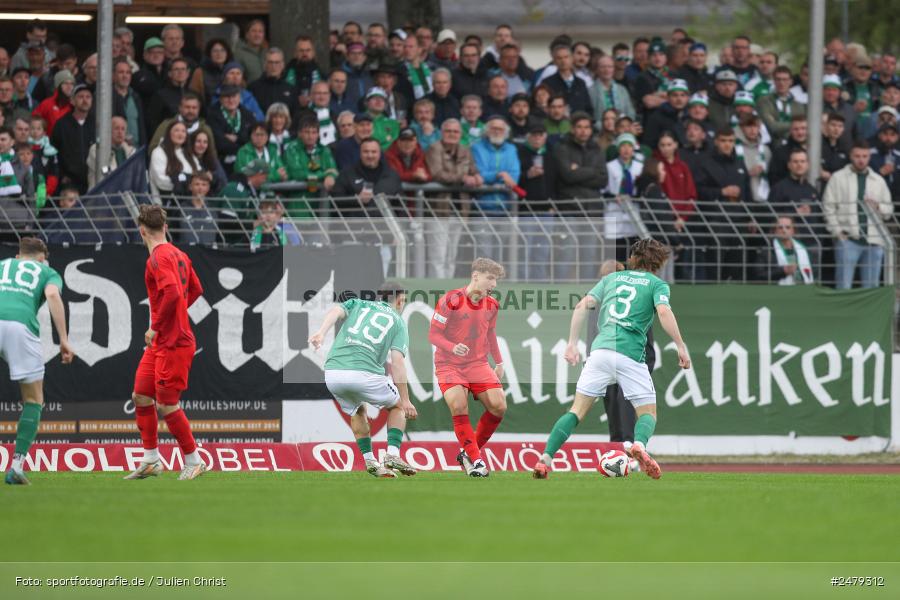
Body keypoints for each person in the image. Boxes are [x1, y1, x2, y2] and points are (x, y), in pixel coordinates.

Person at [533, 238, 689, 480]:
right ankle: (639, 445)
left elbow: (582, 306)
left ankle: (545, 460)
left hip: (601, 351)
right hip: (630, 354)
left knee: (576, 412)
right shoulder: (657, 285)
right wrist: (680, 345)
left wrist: (572, 343)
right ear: (658, 263)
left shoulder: (611, 279)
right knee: (648, 413)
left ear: (633, 258)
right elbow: (664, 312)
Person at [126, 205, 207, 481]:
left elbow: (173, 292)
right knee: (140, 394)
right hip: (164, 341)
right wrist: (176, 315)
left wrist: (156, 326)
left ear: (141, 231)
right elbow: (196, 289)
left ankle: (194, 460)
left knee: (167, 404)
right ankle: (151, 460)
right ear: (166, 227)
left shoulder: (157, 258)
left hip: (172, 341)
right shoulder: (179, 254)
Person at [308, 282, 418, 477]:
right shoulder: (398, 322)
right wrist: (406, 399)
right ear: (400, 300)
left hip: (333, 373)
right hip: (363, 374)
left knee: (358, 409)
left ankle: (370, 461)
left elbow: (335, 311)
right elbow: (398, 363)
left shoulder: (358, 303)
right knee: (398, 406)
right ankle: (392, 454)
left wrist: (321, 332)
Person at [1, 237, 74, 485]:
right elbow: (53, 295)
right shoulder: (47, 271)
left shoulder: (2, 265)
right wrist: (63, 339)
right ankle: (16, 467)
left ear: (19, 254)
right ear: (42, 257)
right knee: (33, 399)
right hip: (21, 327)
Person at [429, 258, 507, 478]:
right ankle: (477, 460)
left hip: (478, 363)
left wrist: (499, 361)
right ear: (476, 276)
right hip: (448, 364)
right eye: (490, 278)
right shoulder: (450, 300)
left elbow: (490, 333)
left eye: (496, 279)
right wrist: (453, 347)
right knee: (459, 404)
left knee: (499, 406)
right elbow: (433, 335)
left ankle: (467, 453)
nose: (494, 284)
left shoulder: (492, 304)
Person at [823, 141, 893, 289]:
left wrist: (878, 207)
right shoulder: (838, 177)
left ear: (869, 157)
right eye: (857, 156)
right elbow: (828, 207)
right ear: (850, 156)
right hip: (848, 238)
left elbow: (889, 210)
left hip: (874, 241)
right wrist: (837, 232)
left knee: (871, 286)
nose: (861, 160)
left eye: (865, 156)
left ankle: (867, 313)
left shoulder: (878, 181)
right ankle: (842, 312)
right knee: (843, 285)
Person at [425, 118, 482, 278]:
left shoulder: (465, 150)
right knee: (438, 257)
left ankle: (447, 297)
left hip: (459, 210)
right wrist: (463, 178)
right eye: (448, 131)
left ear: (460, 134)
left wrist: (477, 176)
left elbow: (473, 169)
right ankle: (435, 294)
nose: (452, 134)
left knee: (451, 257)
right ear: (442, 133)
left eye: (456, 131)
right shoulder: (434, 148)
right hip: (438, 210)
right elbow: (437, 173)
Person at [554, 111, 608, 280]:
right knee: (566, 255)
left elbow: (603, 179)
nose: (583, 131)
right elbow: (567, 176)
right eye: (579, 127)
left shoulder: (597, 149)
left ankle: (587, 296)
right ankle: (561, 293)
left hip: (592, 211)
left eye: (586, 127)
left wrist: (579, 171)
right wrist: (593, 172)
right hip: (569, 209)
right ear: (572, 129)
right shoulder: (562, 148)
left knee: (589, 256)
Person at [470, 116, 520, 263]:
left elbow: (514, 177)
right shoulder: (476, 147)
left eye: (500, 129)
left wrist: (503, 177)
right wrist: (499, 175)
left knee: (502, 252)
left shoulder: (512, 149)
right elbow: (480, 173)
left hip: (505, 208)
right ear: (487, 130)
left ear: (506, 132)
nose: (497, 131)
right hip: (482, 207)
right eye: (493, 128)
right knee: (483, 253)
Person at [283, 117, 338, 218]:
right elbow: (297, 173)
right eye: (307, 132)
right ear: (300, 133)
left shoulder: (323, 150)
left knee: (319, 233)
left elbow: (333, 170)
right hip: (297, 205)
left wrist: (330, 175)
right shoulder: (291, 148)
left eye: (314, 132)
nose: (310, 136)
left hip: (318, 204)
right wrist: (324, 174)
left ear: (318, 134)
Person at [604, 133, 645, 261]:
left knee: (633, 247)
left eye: (629, 146)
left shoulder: (640, 167)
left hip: (633, 209)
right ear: (618, 149)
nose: (626, 149)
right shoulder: (610, 166)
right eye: (623, 146)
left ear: (633, 148)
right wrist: (613, 196)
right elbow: (604, 189)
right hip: (614, 208)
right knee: (616, 248)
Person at [50, 84, 94, 193]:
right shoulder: (61, 124)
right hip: (69, 183)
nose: (85, 100)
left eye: (88, 97)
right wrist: (62, 175)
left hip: (92, 180)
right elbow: (53, 152)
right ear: (72, 101)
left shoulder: (97, 123)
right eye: (81, 97)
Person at [207, 85, 255, 174]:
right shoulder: (212, 116)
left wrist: (237, 138)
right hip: (222, 161)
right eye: (227, 97)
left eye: (234, 96)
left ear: (239, 97)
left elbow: (253, 139)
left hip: (246, 159)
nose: (231, 100)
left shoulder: (247, 114)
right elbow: (219, 143)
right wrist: (242, 145)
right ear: (220, 99)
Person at [757, 65, 805, 145]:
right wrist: (794, 125)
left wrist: (780, 124)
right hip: (772, 145)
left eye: (785, 80)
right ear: (774, 81)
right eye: (778, 79)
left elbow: (803, 128)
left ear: (791, 81)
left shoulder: (798, 105)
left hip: (794, 145)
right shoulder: (764, 101)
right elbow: (772, 127)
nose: (781, 83)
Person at [149, 120, 197, 197]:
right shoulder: (158, 152)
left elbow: (198, 174)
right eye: (176, 130)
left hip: (190, 202)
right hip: (166, 203)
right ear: (169, 133)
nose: (180, 134)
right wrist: (184, 183)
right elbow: (161, 181)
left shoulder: (189, 154)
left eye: (183, 131)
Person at [86, 116, 136, 189]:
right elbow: (103, 170)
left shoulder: (131, 151)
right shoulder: (96, 149)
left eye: (123, 129)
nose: (120, 132)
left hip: (124, 195)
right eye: (116, 128)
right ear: (108, 130)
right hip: (101, 195)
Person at [542, 44, 592, 115]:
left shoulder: (581, 83)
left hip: (578, 124)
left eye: (566, 57)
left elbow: (588, 108)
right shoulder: (547, 83)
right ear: (554, 61)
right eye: (559, 58)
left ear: (572, 58)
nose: (563, 61)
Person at [763, 216, 814, 285]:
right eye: (780, 228)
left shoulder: (803, 249)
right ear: (774, 231)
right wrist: (783, 271)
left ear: (793, 231)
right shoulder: (767, 251)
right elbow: (759, 276)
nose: (784, 230)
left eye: (788, 227)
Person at [146, 58, 191, 135]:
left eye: (183, 69)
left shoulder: (193, 95)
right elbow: (152, 123)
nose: (180, 72)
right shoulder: (160, 95)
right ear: (170, 73)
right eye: (176, 69)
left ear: (188, 73)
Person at [177, 172, 222, 246]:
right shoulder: (181, 208)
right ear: (190, 187)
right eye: (197, 184)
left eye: (204, 184)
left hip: (209, 253)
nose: (200, 188)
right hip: (186, 252)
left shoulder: (213, 209)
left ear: (208, 187)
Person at [643, 78, 690, 149]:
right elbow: (648, 144)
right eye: (675, 95)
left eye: (682, 95)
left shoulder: (691, 116)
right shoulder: (657, 117)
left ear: (688, 98)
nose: (679, 99)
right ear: (668, 97)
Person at [248, 48, 295, 115]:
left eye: (277, 62)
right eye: (270, 62)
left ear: (282, 65)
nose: (274, 66)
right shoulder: (253, 88)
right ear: (265, 64)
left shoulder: (291, 89)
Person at [589, 55, 636, 121]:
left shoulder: (622, 90)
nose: (607, 70)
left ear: (614, 69)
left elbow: (630, 112)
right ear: (597, 69)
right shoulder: (590, 91)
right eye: (603, 67)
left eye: (610, 66)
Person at [111, 57, 145, 147]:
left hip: (135, 150)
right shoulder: (106, 97)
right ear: (113, 75)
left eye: (128, 72)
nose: (125, 76)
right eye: (121, 72)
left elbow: (141, 126)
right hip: (115, 149)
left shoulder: (136, 96)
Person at [188, 38, 232, 107]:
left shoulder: (233, 71)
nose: (219, 54)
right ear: (209, 54)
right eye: (215, 51)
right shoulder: (199, 72)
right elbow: (193, 96)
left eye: (222, 50)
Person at [31, 69, 73, 137]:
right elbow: (34, 121)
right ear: (58, 85)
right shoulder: (47, 104)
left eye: (72, 84)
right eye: (65, 83)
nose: (69, 87)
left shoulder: (74, 106)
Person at [190, 129, 227, 195]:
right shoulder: (185, 159)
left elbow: (223, 182)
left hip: (210, 198)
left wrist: (212, 177)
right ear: (192, 143)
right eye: (198, 141)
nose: (202, 145)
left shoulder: (212, 159)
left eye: (205, 142)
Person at [233, 19, 267, 83]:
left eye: (260, 31)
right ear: (247, 35)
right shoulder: (239, 54)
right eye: (254, 31)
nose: (257, 35)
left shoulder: (268, 53)